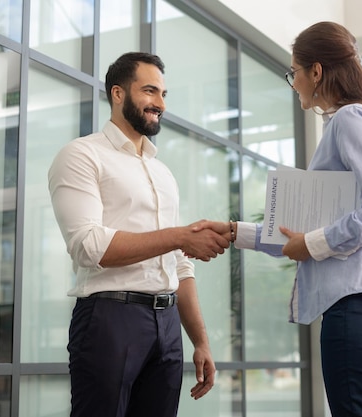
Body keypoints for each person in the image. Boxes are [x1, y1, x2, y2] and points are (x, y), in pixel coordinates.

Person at [200, 21, 362, 417]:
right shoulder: (354, 121)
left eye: (294, 72)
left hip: (357, 309)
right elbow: (299, 234)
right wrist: (234, 232)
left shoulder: (349, 120)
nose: (293, 82)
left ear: (316, 72)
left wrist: (313, 244)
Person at [48, 52, 230, 417]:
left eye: (163, 94)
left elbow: (179, 264)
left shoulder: (162, 172)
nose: (160, 104)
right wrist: (179, 236)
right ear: (117, 93)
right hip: (109, 319)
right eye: (150, 91)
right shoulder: (81, 155)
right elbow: (89, 246)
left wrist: (201, 341)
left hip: (167, 324)